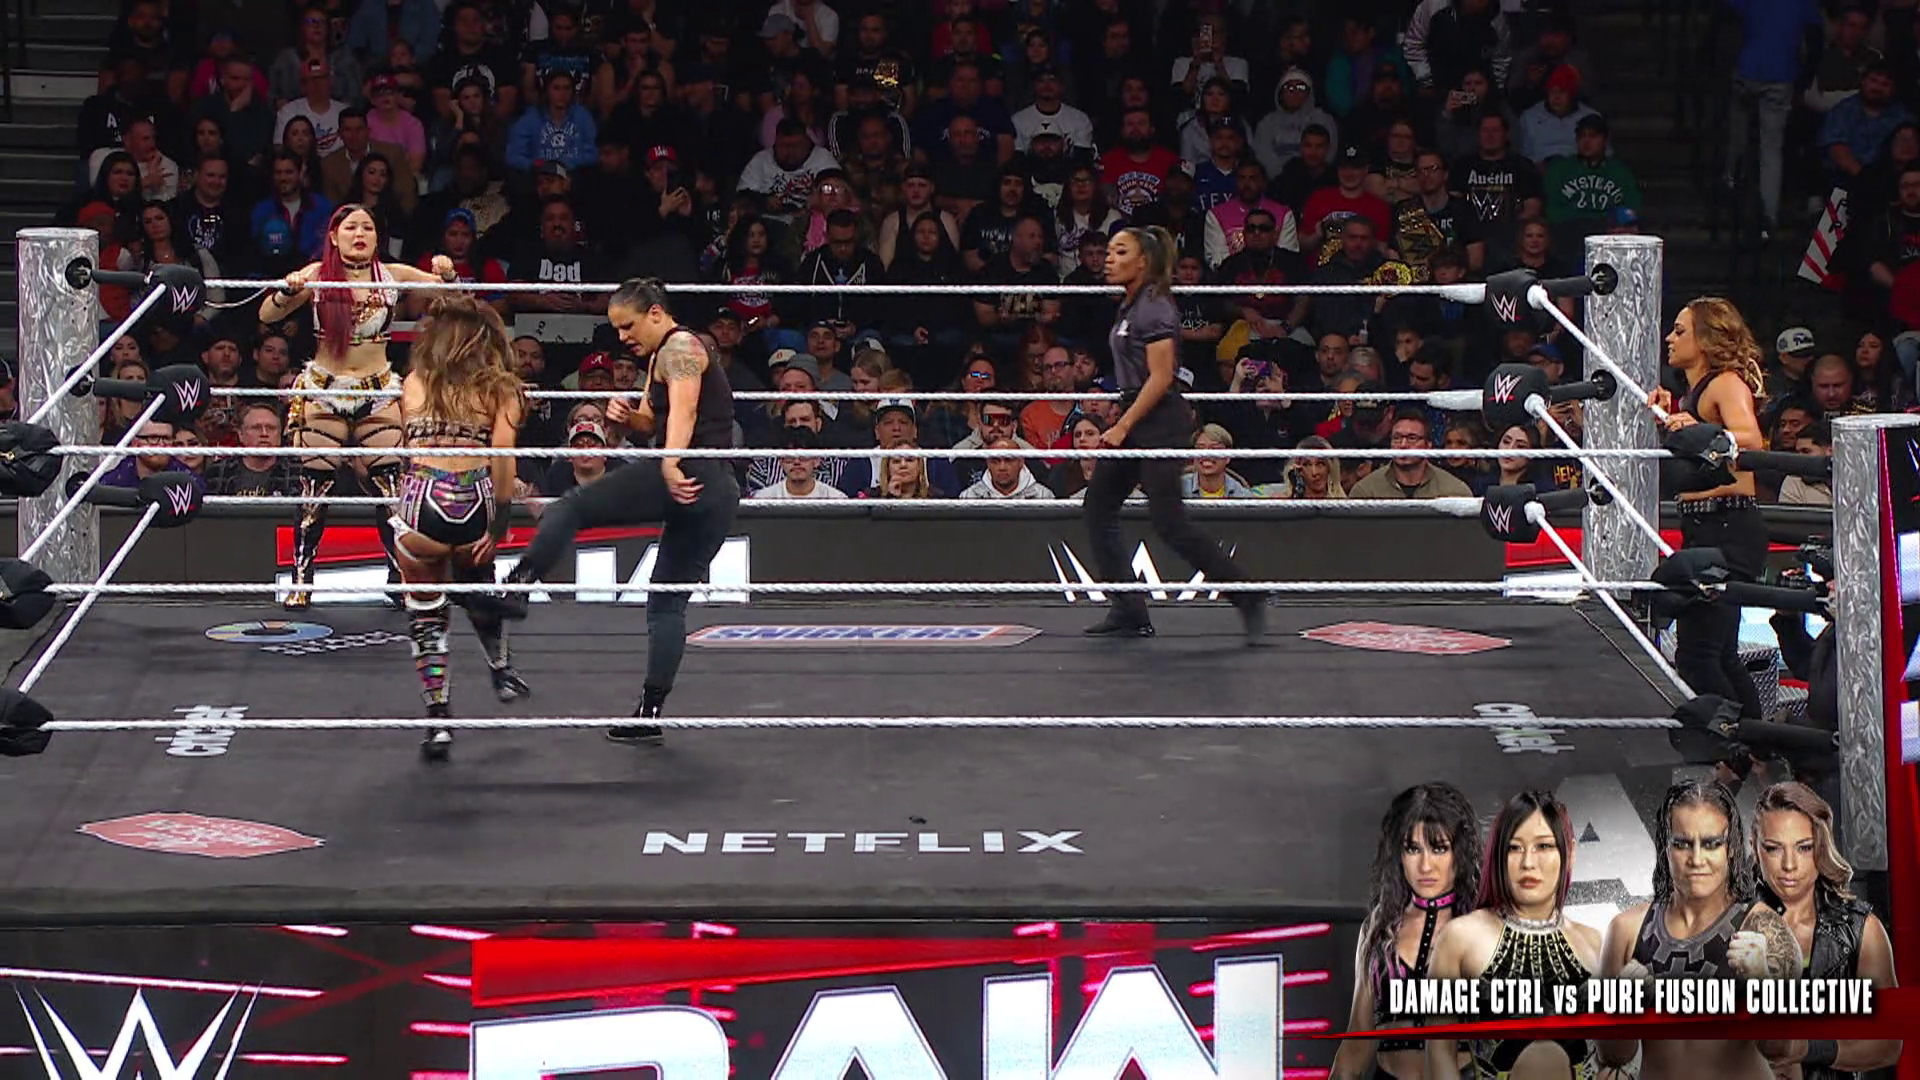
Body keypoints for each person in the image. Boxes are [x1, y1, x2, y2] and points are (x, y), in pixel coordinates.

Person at [499, 278, 740, 743]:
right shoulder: (661, 356)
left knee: (571, 506)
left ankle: (519, 585)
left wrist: (669, 462)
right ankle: (649, 714)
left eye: (628, 326)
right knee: (666, 601)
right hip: (717, 490)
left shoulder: (681, 347)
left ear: (655, 314)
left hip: (691, 471)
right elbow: (653, 420)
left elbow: (686, 410)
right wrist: (629, 419)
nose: (623, 337)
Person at [261, 204, 461, 608]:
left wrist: (448, 272)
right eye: (351, 227)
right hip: (324, 389)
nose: (360, 234)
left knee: (391, 489)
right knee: (314, 488)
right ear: (334, 237)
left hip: (377, 390)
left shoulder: (392, 274)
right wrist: (289, 289)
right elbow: (267, 313)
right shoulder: (318, 275)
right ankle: (302, 579)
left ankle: (400, 579)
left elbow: (450, 294)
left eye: (367, 227)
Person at [1081, 225, 1265, 641]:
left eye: (1120, 251)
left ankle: (1246, 595)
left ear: (1143, 262)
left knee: (1169, 522)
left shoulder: (1155, 307)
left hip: (1160, 419)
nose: (1109, 258)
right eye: (1109, 251)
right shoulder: (1130, 304)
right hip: (1137, 411)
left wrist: (1123, 424)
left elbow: (1162, 377)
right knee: (1098, 507)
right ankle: (1128, 608)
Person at [389, 296, 528, 760]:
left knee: (426, 613)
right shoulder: (502, 389)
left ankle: (439, 720)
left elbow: (403, 447)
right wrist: (501, 521)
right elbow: (503, 457)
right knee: (478, 585)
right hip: (472, 501)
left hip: (421, 504)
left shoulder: (414, 383)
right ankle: (501, 668)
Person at [1599, 779, 1802, 1080]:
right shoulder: (1626, 930)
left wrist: (1763, 985)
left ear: (1730, 848)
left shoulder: (1764, 928)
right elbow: (1613, 1055)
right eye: (1682, 844)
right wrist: (1622, 1005)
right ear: (1665, 847)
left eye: (1711, 844)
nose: (1696, 859)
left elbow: (1782, 1048)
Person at [1423, 789, 1603, 1080]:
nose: (1528, 863)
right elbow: (1439, 1053)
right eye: (1514, 848)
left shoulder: (1594, 943)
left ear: (1569, 852)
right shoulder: (1460, 937)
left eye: (1543, 846)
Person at [1647, 298, 1769, 720]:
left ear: (1706, 339)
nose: (1669, 338)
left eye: (1680, 331)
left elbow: (1750, 439)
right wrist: (1670, 417)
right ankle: (1755, 743)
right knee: (1719, 655)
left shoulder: (1725, 383)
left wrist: (1697, 428)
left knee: (1700, 656)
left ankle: (1738, 741)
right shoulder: (1693, 396)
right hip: (1707, 527)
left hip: (1727, 526)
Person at [1751, 782, 1902, 1080]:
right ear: (1754, 846)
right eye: (1773, 848)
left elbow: (1889, 1042)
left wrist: (1808, 1049)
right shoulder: (1729, 922)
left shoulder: (1861, 930)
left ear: (1820, 846)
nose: (1789, 865)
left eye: (1804, 847)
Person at [1330, 782, 1480, 1080]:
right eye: (1413, 849)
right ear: (1398, 854)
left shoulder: (1486, 925)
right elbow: (1356, 1045)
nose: (1425, 865)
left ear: (1459, 853)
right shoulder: (1379, 927)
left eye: (1438, 848)